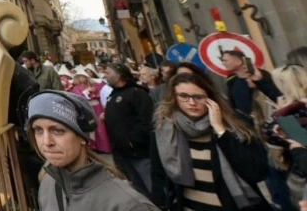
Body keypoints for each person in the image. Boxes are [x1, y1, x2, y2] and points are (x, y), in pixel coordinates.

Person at [151, 71, 270, 210]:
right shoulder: (165, 129)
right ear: (174, 97)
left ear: (210, 98)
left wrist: (220, 130)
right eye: (183, 96)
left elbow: (256, 172)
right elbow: (158, 175)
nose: (191, 102)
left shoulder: (236, 125)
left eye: (198, 97)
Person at [25, 91, 158, 210]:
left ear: (83, 138)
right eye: (38, 130)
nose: (47, 142)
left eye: (58, 131)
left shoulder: (128, 204)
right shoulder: (48, 183)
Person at [102, 63, 155, 201]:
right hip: (121, 154)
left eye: (108, 73)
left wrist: (133, 141)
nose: (105, 76)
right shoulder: (114, 95)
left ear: (119, 75)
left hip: (139, 154)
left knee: (151, 188)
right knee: (136, 190)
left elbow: (146, 121)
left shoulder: (137, 93)